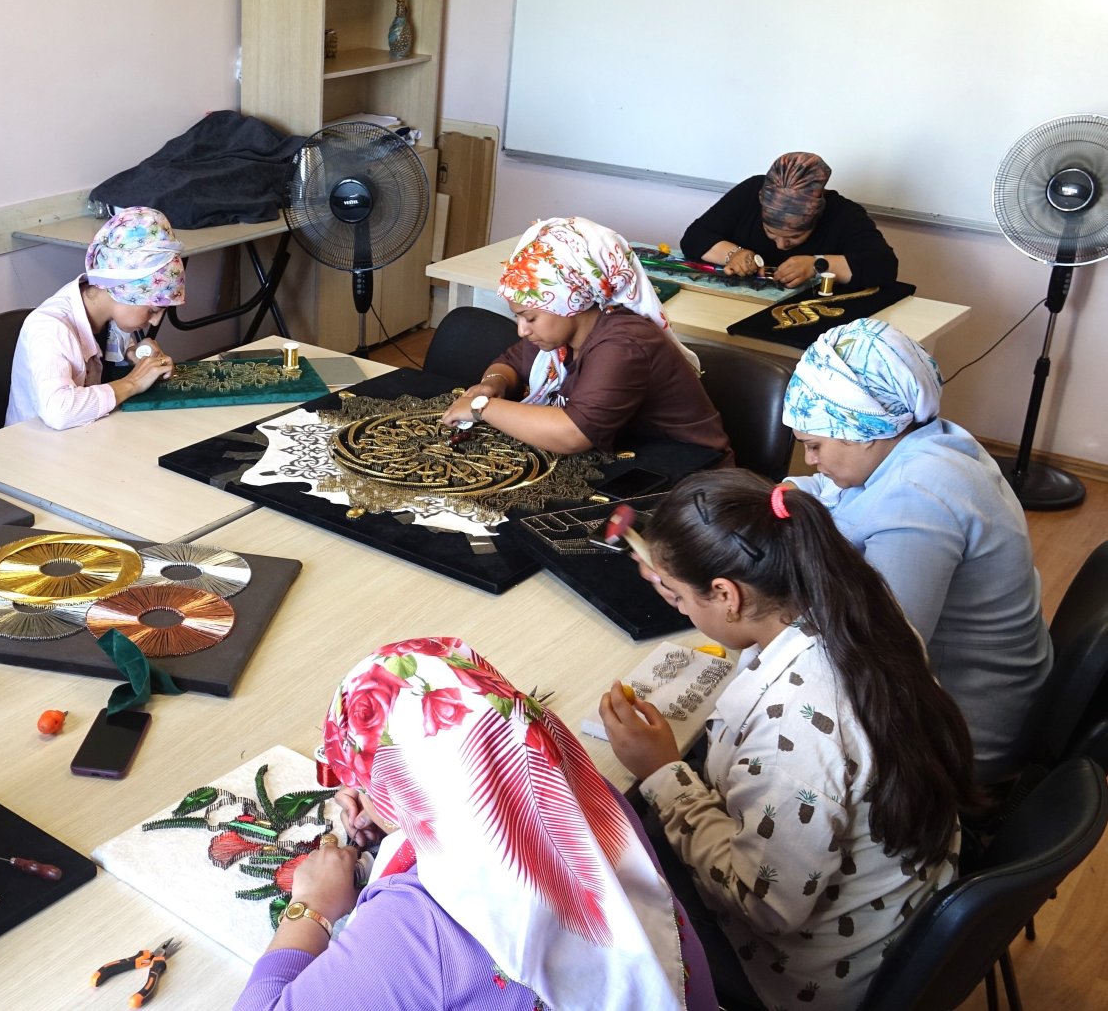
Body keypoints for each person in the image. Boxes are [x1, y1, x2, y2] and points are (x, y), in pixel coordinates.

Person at [600, 470, 979, 1010]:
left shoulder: (791, 732)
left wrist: (662, 773)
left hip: (819, 970)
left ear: (728, 595)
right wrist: (687, 582)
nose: (679, 608)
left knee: (615, 868)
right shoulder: (862, 608)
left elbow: (767, 906)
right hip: (902, 901)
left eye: (681, 598)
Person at [235, 637, 719, 1011]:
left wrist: (311, 906)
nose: (356, 799)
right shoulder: (583, 797)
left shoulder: (418, 925)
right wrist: (406, 825)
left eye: (362, 784)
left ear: (399, 790)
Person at [782, 318, 1051, 785]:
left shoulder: (919, 496)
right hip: (983, 691)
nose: (810, 461)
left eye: (814, 445)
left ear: (863, 430)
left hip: (962, 737)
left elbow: (880, 651)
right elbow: (833, 491)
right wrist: (780, 497)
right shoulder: (928, 438)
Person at [441, 217, 731, 461]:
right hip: (630, 460)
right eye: (518, 317)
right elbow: (510, 363)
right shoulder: (560, 338)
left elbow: (572, 435)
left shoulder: (623, 345)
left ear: (571, 303)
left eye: (530, 318)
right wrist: (493, 383)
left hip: (686, 477)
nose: (522, 330)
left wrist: (484, 408)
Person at [6, 207, 183, 429]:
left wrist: (134, 355)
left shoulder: (107, 313)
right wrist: (133, 382)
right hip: (32, 453)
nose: (155, 322)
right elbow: (59, 411)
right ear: (121, 291)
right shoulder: (49, 327)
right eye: (152, 310)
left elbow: (108, 355)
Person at [680, 152, 898, 290]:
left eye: (794, 237)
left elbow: (883, 266)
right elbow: (694, 237)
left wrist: (817, 265)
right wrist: (733, 254)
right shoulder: (750, 193)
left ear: (817, 216)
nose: (780, 245)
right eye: (770, 233)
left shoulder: (843, 214)